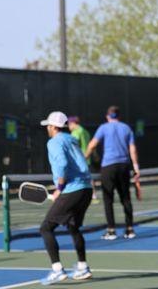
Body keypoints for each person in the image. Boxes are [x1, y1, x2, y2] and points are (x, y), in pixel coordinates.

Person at [39, 111, 93, 285]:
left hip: (72, 189)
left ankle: (57, 270)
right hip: (86, 189)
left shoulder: (54, 141)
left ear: (54, 127)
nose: (47, 128)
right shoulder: (72, 139)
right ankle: (83, 267)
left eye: (48, 125)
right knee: (73, 226)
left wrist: (59, 189)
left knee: (46, 228)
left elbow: (62, 164)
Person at [85, 106, 140, 240]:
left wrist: (83, 160)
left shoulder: (103, 128)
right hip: (124, 166)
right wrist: (136, 167)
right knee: (125, 197)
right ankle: (129, 229)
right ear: (119, 116)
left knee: (108, 199)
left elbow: (92, 145)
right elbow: (132, 148)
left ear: (107, 116)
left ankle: (111, 230)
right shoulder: (126, 128)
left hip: (108, 167)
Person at [68, 116, 98, 203]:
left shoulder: (76, 132)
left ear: (73, 123)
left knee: (83, 177)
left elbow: (73, 144)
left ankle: (91, 194)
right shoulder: (85, 131)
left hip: (79, 158)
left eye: (69, 124)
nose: (69, 127)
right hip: (86, 157)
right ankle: (93, 194)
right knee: (88, 176)